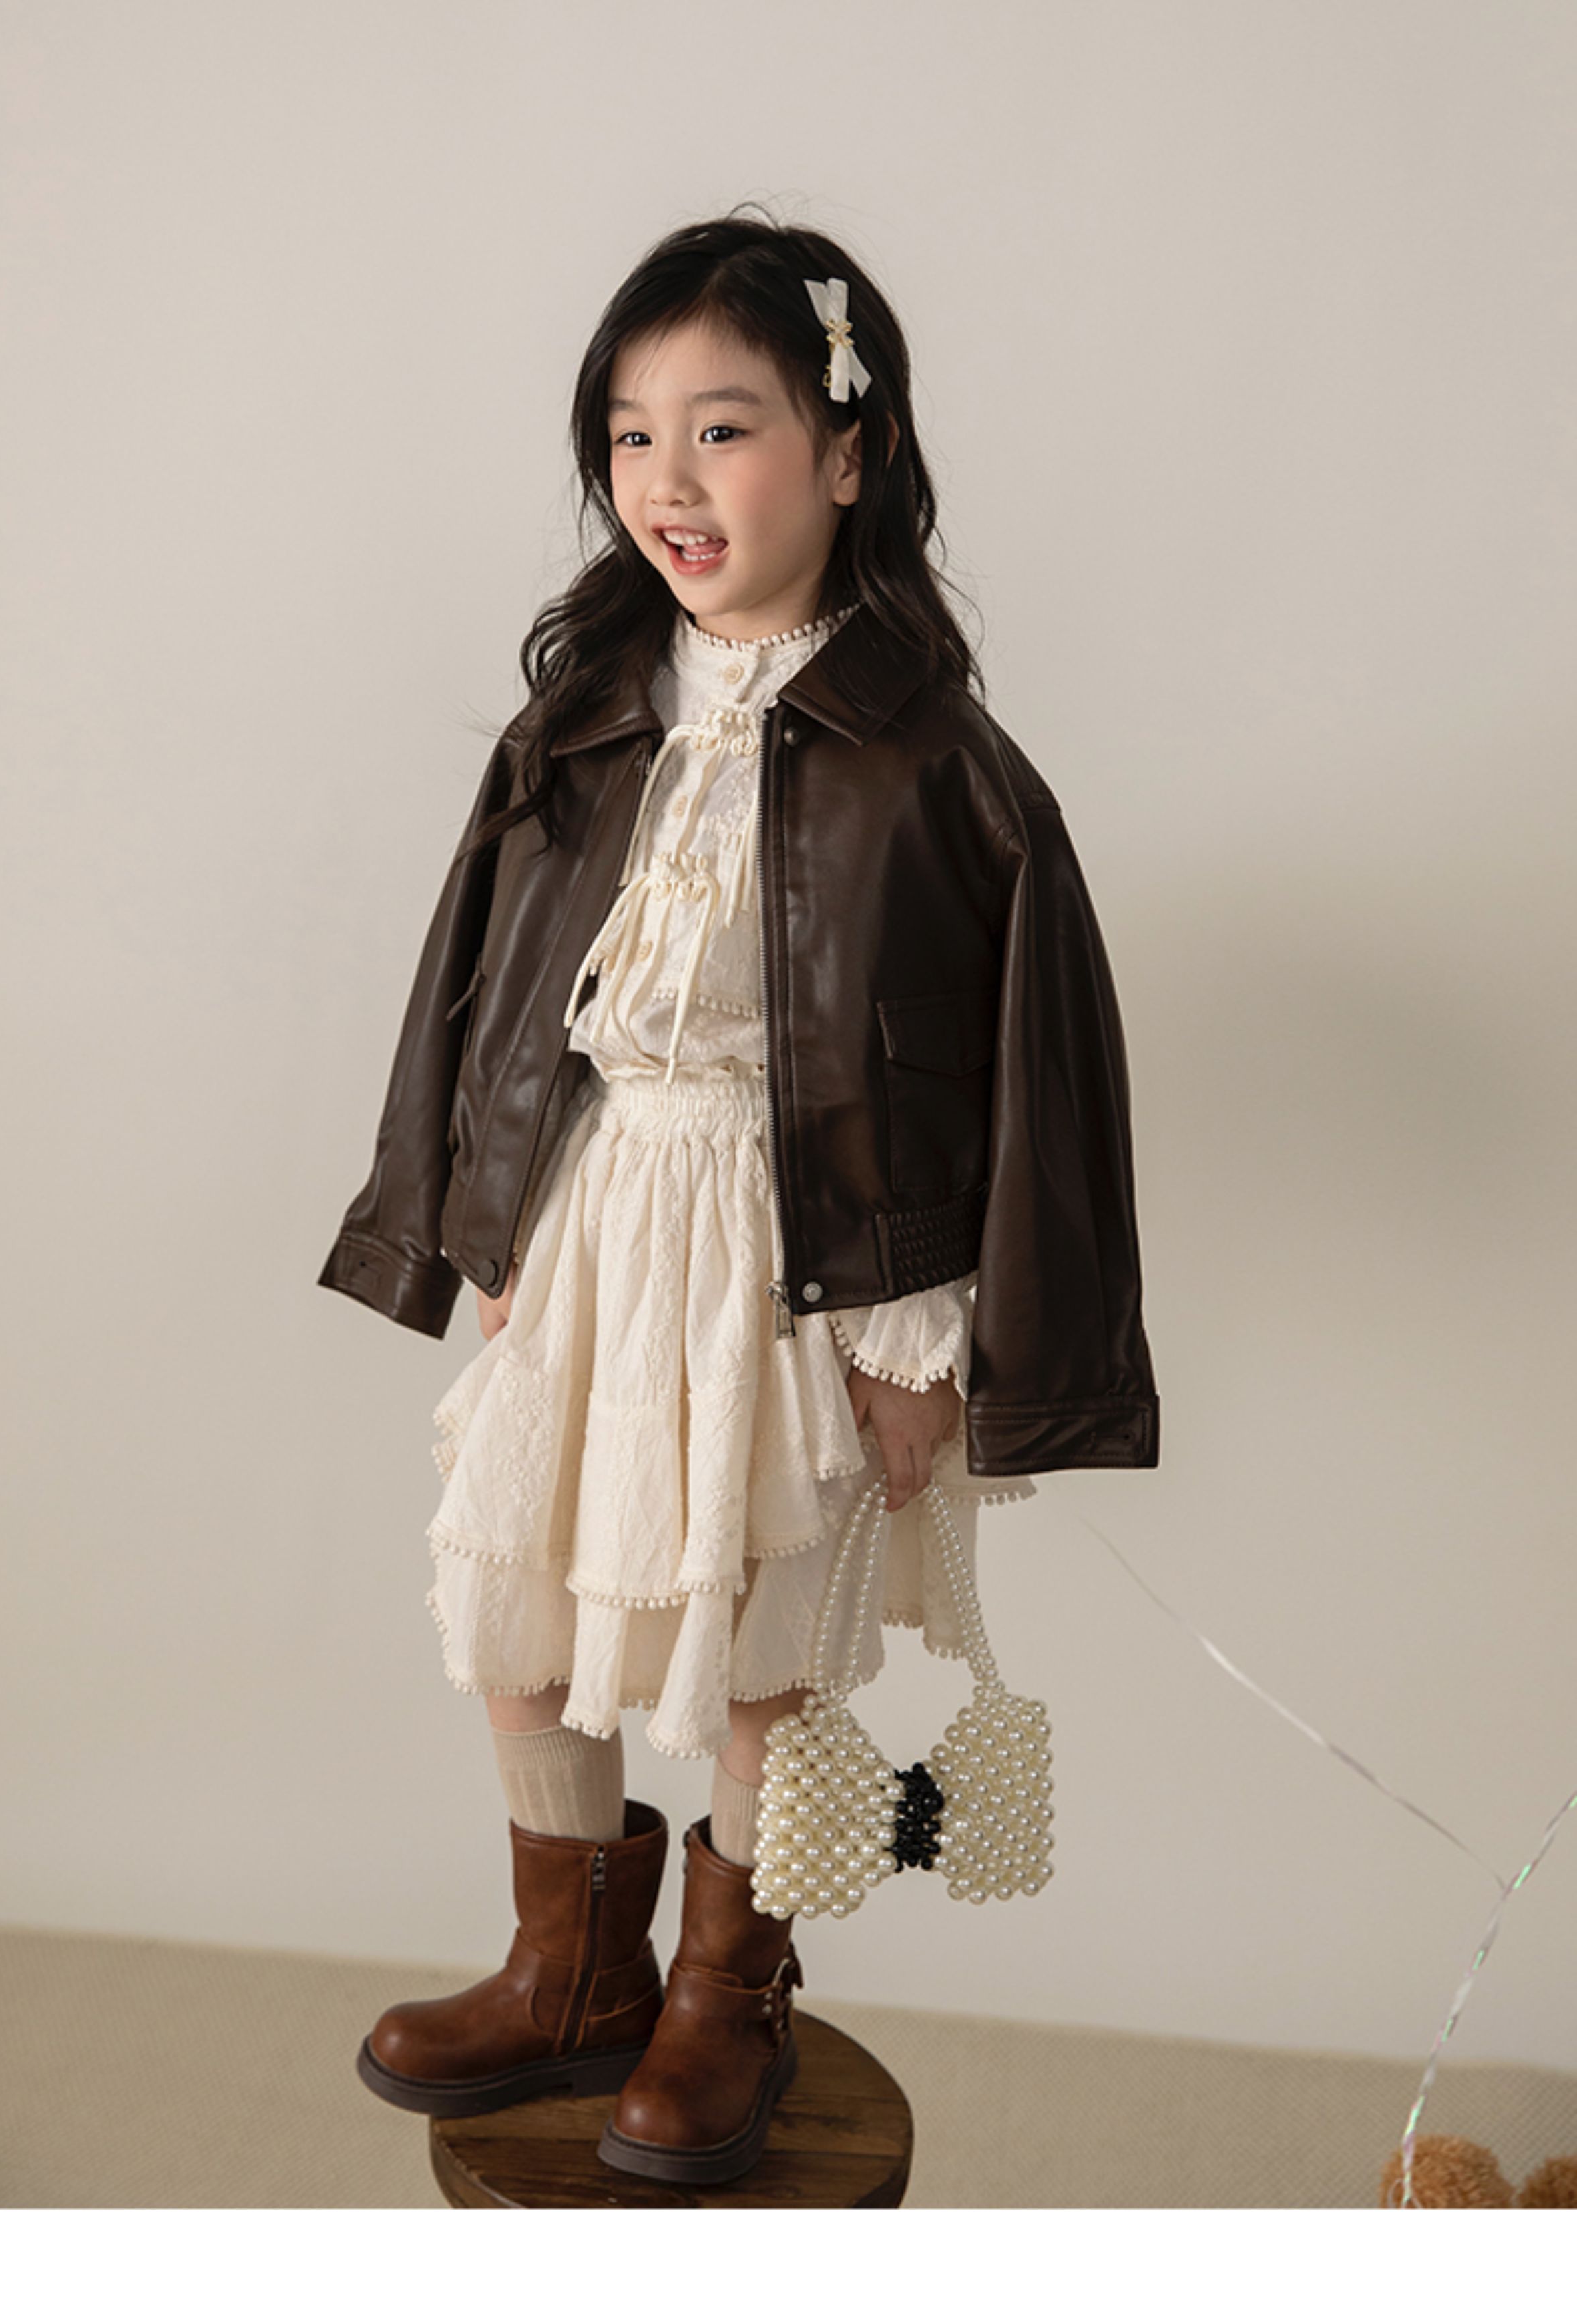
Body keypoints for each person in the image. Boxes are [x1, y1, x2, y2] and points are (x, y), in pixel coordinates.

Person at [318, 206, 1158, 2186]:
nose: (668, 484)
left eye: (723, 430)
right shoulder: (588, 715)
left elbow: (1007, 1067)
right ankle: (569, 1972)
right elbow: (482, 982)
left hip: (799, 1259)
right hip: (599, 1213)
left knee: (763, 1636)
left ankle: (725, 1997)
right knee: (524, 1595)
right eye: (631, 436)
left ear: (850, 452)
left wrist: (923, 1335)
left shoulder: (937, 764)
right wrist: (483, 1215)